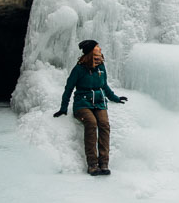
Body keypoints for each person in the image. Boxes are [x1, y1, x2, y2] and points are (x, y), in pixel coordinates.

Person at [54, 39, 127, 175]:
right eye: (97, 47)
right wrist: (64, 108)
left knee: (104, 124)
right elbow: (69, 88)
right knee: (91, 123)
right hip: (82, 104)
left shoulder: (101, 67)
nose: (99, 49)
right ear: (90, 51)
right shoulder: (79, 69)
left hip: (99, 103)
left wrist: (115, 98)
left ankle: (104, 163)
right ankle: (92, 164)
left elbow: (104, 86)